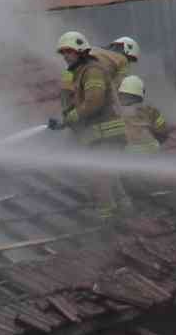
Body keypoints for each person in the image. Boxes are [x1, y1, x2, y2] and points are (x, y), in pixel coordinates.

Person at [48, 31, 127, 218]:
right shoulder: (79, 73)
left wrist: (70, 118)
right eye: (63, 53)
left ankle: (105, 219)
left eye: (69, 51)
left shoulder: (92, 71)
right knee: (110, 175)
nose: (65, 56)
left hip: (107, 133)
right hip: (100, 135)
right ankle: (125, 208)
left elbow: (94, 102)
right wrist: (63, 121)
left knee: (98, 176)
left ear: (81, 51)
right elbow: (78, 105)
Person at [115, 74, 173, 201]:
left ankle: (128, 192)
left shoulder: (117, 112)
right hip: (152, 149)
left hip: (128, 152)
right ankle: (154, 186)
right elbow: (163, 130)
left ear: (122, 93)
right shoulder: (151, 110)